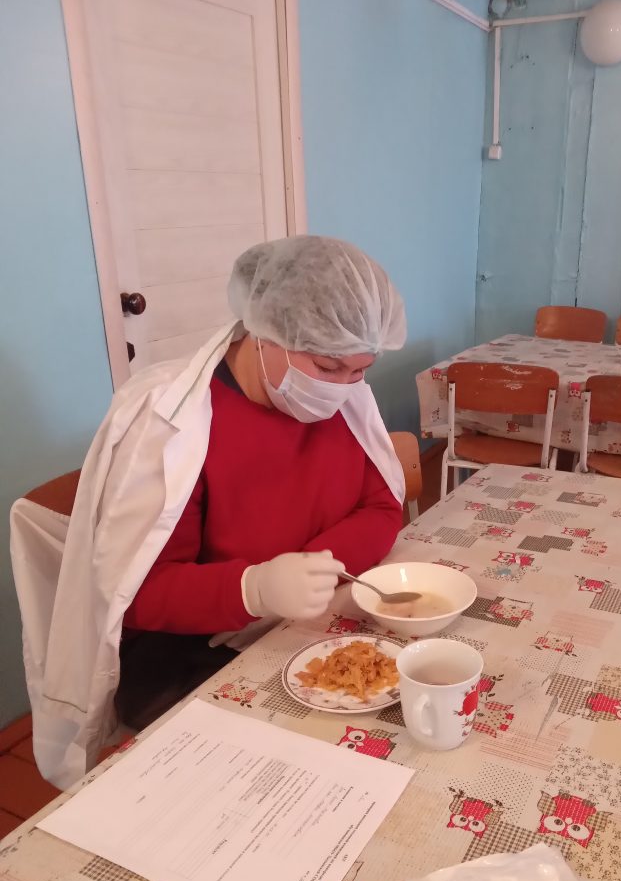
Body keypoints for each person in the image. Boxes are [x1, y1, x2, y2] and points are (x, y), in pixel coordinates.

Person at [10, 237, 407, 788]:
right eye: (328, 366)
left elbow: (382, 505)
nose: (343, 389)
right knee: (294, 776)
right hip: (189, 647)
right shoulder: (170, 423)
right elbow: (134, 593)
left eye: (360, 370)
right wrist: (254, 590)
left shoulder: (342, 397)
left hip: (300, 623)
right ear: (266, 331)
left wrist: (318, 571)